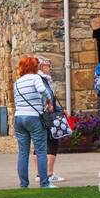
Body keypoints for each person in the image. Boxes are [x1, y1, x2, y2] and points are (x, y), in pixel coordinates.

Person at [13, 55, 54, 189]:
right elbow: (42, 90)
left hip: (19, 118)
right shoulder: (36, 78)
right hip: (34, 117)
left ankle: (24, 184)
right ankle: (44, 183)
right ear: (34, 67)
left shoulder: (17, 82)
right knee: (41, 150)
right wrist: (48, 100)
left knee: (23, 152)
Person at [37, 56, 65, 184]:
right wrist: (51, 106)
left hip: (39, 115)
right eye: (48, 65)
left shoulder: (37, 79)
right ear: (42, 66)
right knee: (52, 142)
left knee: (40, 144)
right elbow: (47, 97)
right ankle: (48, 173)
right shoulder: (42, 80)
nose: (50, 68)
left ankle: (40, 173)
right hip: (47, 115)